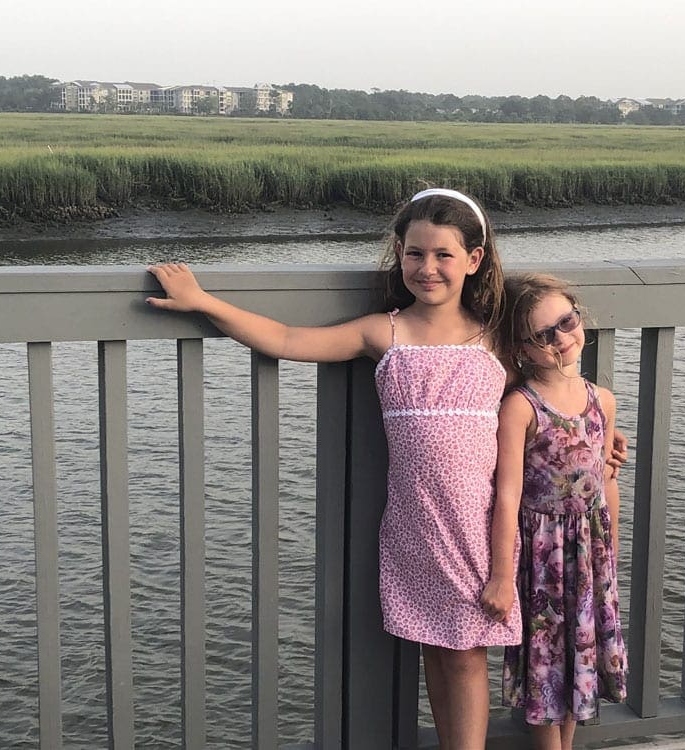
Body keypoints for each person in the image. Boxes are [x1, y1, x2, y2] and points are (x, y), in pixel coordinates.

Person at [146, 187, 519, 750]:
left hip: (481, 528)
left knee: (467, 658)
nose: (427, 268)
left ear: (474, 259)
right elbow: (288, 339)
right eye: (415, 253)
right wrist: (205, 302)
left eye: (444, 255)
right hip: (417, 528)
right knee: (437, 654)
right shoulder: (383, 331)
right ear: (399, 254)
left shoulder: (496, 338)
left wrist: (601, 430)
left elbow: (552, 397)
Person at [496, 273, 628, 750]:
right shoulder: (520, 407)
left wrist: (610, 547)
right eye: (542, 335)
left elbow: (606, 483)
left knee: (579, 657)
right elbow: (508, 494)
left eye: (566, 322)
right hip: (541, 558)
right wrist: (502, 569)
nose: (560, 339)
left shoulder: (603, 401)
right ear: (522, 349)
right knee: (544, 663)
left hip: (588, 552)